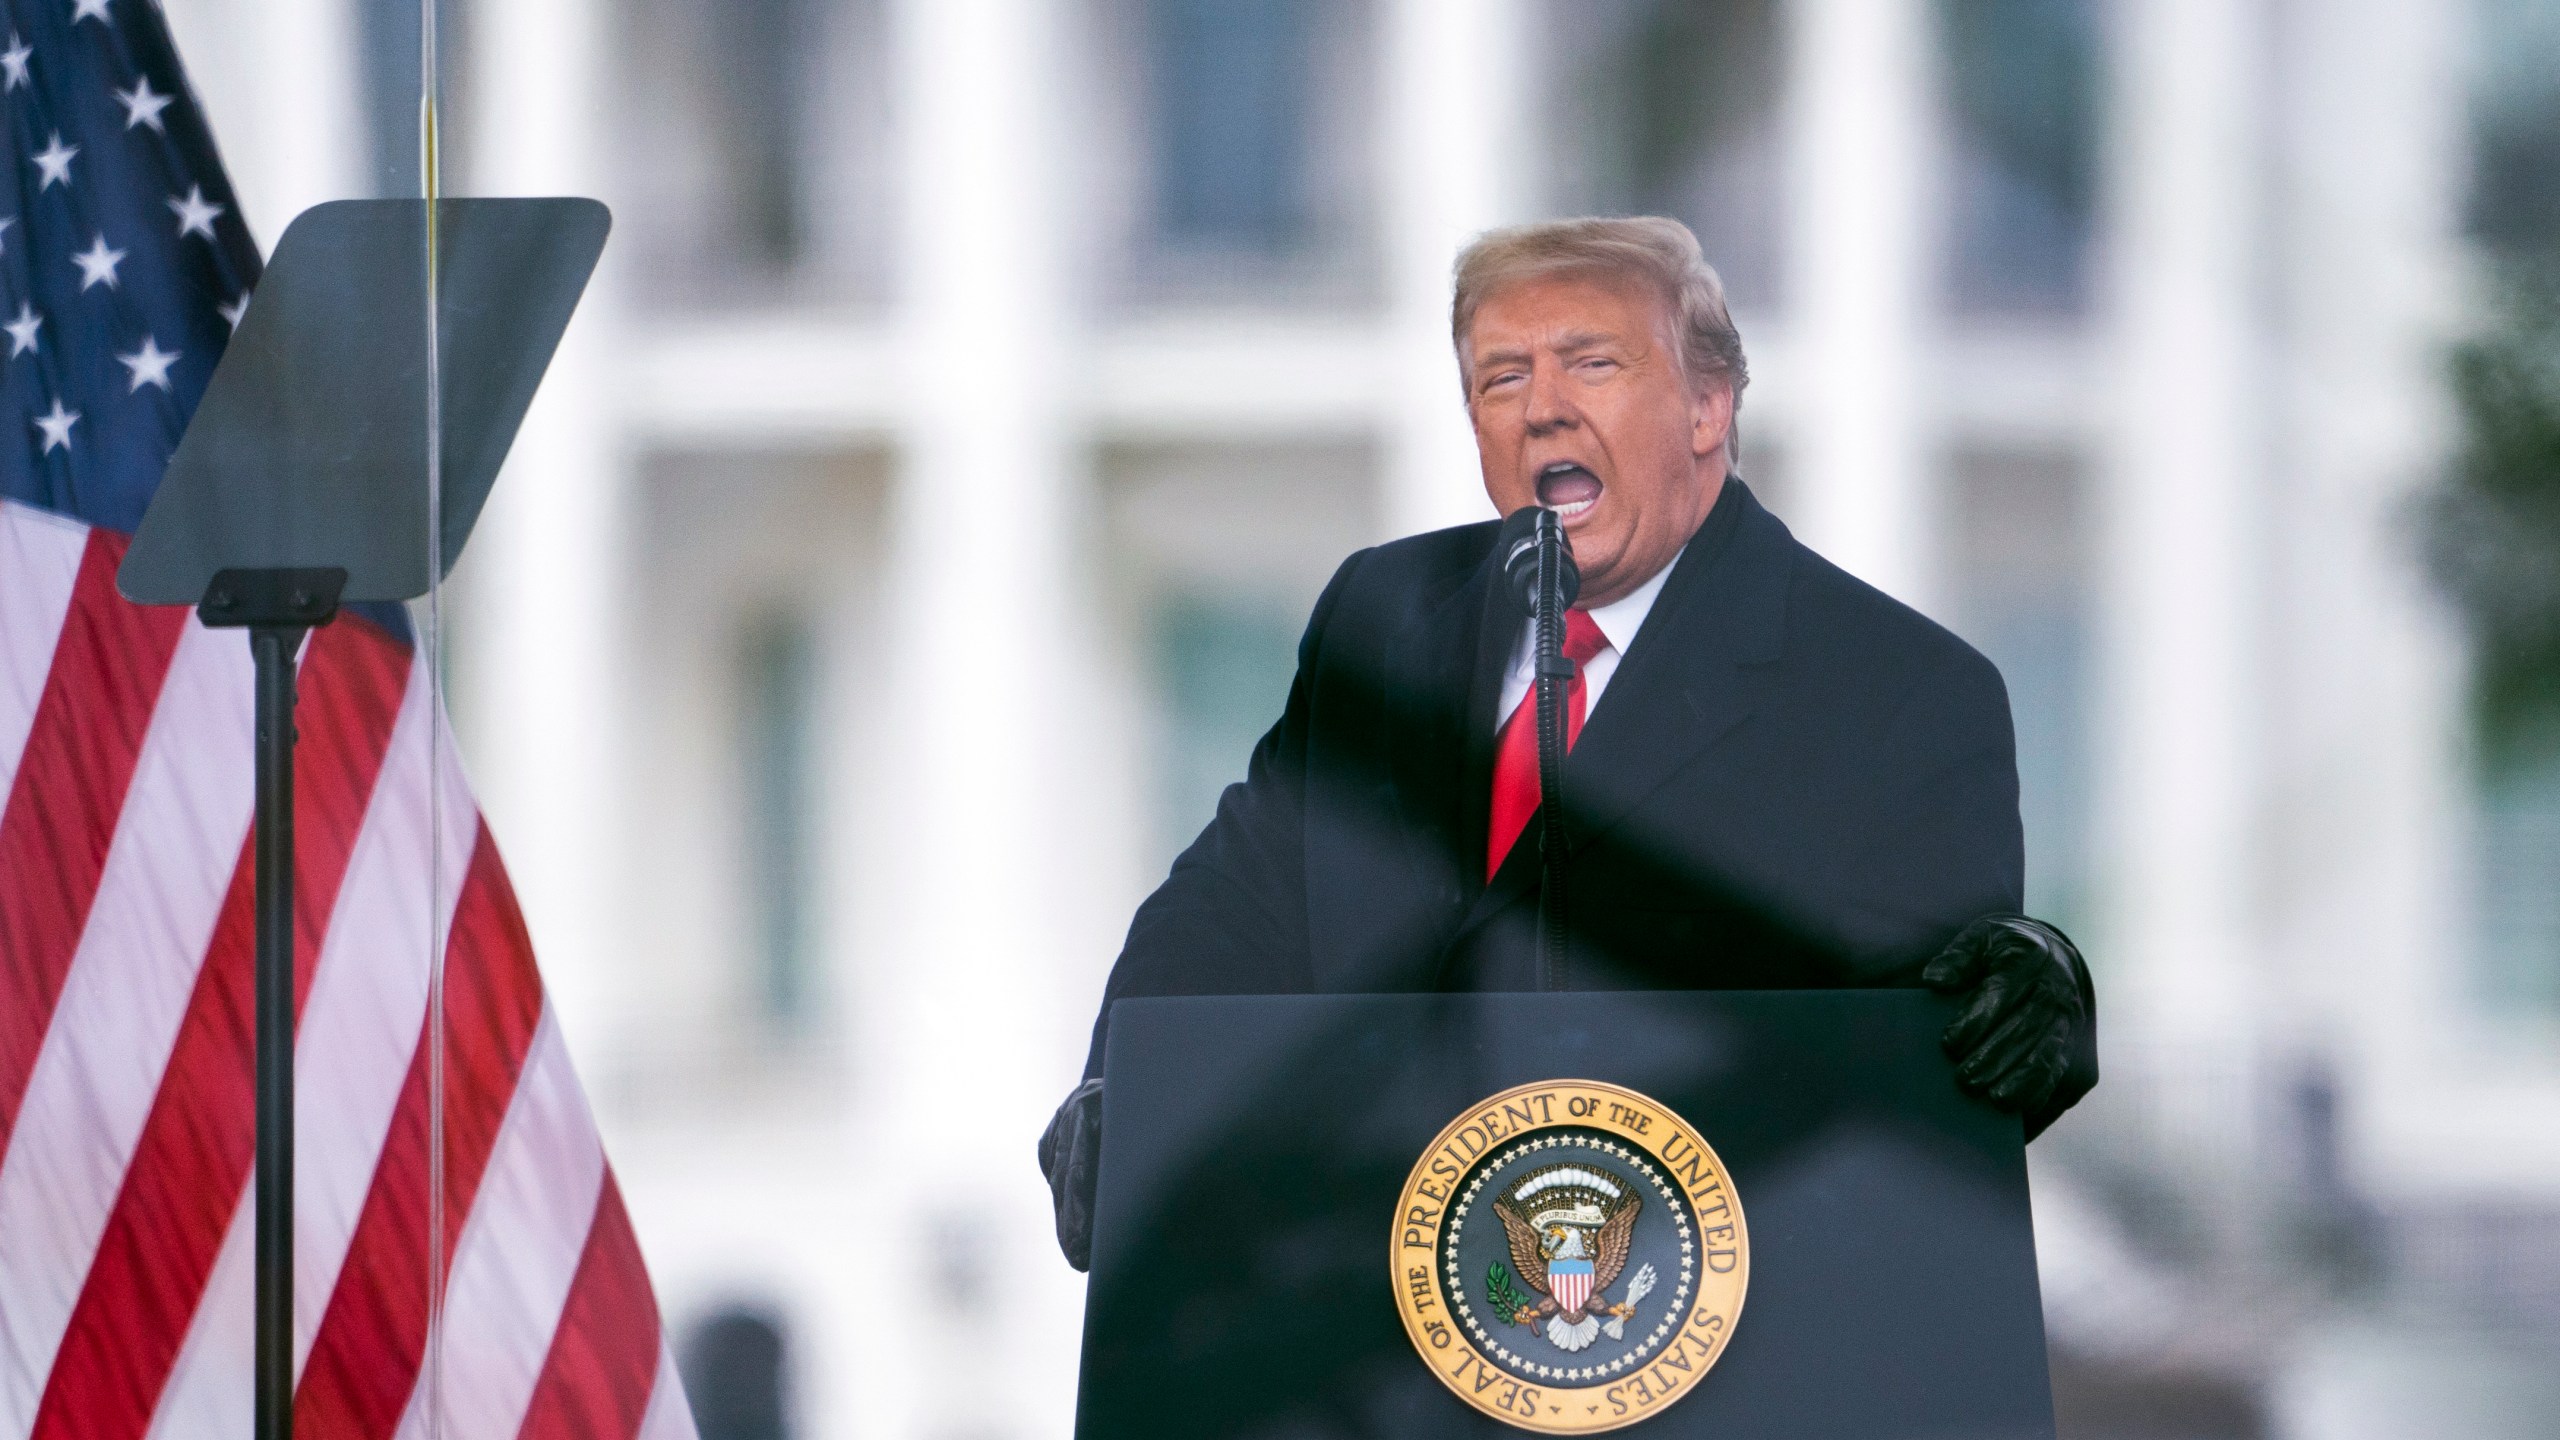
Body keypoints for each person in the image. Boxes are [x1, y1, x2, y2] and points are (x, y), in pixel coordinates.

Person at [1039, 217, 2095, 1270]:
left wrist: (2031, 990)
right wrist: (1125, 1093)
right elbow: (1237, 903)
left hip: (1702, 1329)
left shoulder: (1895, 689)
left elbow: (1939, 1039)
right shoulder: (1386, 614)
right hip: (1368, 1322)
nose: (1543, 407)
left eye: (1592, 363)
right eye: (1501, 379)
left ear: (1705, 407)